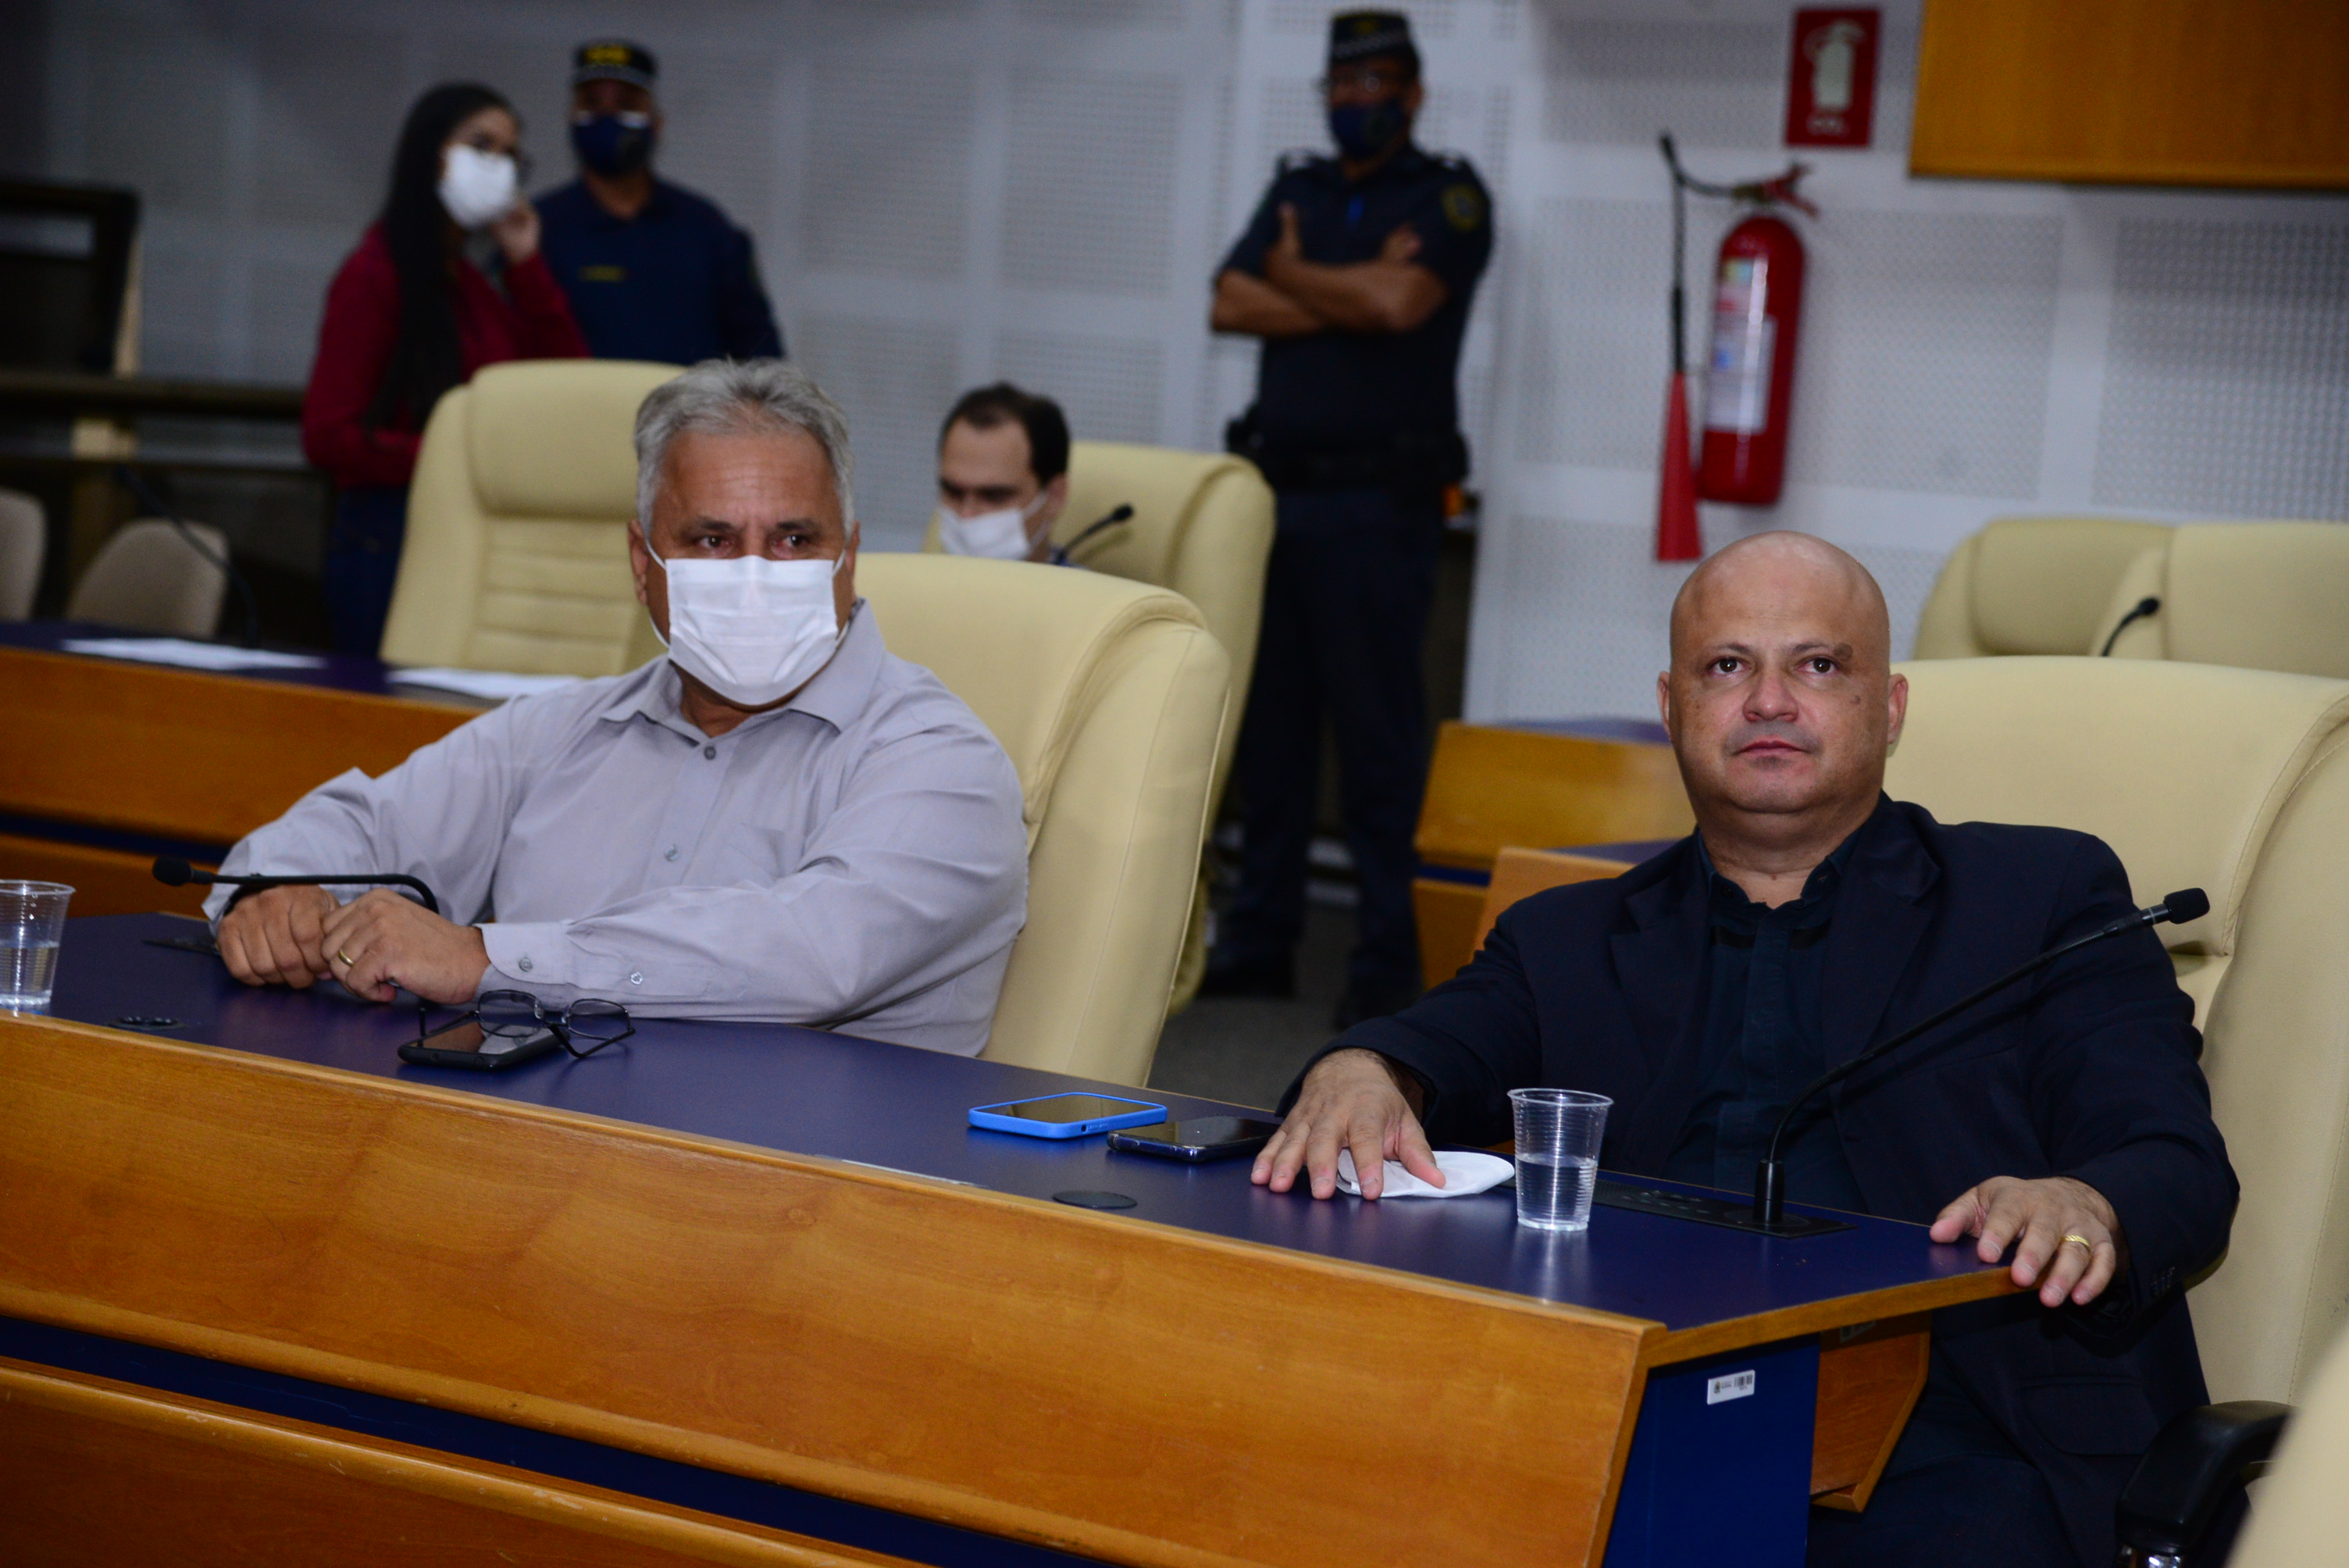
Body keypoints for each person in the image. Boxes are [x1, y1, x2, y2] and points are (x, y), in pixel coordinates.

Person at [1253, 532, 2238, 1568]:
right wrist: (1361, 1072)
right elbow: (1425, 1047)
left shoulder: (2039, 900)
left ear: (1889, 708)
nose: (1769, 701)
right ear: (1671, 705)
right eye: (1727, 667)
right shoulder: (1566, 938)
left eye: (1817, 665)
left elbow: (2171, 1160)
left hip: (1957, 1441)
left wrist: (2085, 1202)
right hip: (1630, 1423)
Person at [219, 359, 1028, 1058]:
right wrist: (280, 898)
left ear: (847, 556)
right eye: (711, 540)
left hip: (802, 1179)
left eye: (792, 540)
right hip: (531, 1151)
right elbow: (361, 826)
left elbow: (817, 954)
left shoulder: (941, 762)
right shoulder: (559, 730)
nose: (753, 574)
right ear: (643, 563)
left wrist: (485, 959)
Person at [1204, 9, 1493, 1028]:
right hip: (1277, 500)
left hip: (1380, 508)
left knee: (1378, 746)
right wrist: (1346, 290)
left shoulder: (1448, 197)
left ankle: (1383, 963)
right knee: (1271, 738)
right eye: (1341, 83)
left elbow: (1399, 307)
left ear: (1412, 94)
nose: (1354, 100)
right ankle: (1258, 944)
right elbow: (1227, 302)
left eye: (1375, 84)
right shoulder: (1299, 186)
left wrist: (1290, 274)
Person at [304, 83, 588, 657]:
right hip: (388, 534)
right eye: (481, 146)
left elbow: (566, 382)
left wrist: (526, 263)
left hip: (463, 533)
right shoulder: (374, 274)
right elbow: (328, 436)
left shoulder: (469, 281)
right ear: (430, 152)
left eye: (510, 155)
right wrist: (455, 459)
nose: (499, 167)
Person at [536, 41, 785, 367]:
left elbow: (759, 353)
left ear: (657, 122)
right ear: (570, 118)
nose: (607, 117)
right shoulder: (540, 227)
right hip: (572, 401)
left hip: (687, 401)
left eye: (626, 104)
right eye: (591, 103)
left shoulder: (705, 227)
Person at [932, 383, 1073, 563]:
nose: (967, 515)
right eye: (954, 492)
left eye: (994, 496)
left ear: (1055, 496)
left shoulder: (1087, 585)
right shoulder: (907, 581)